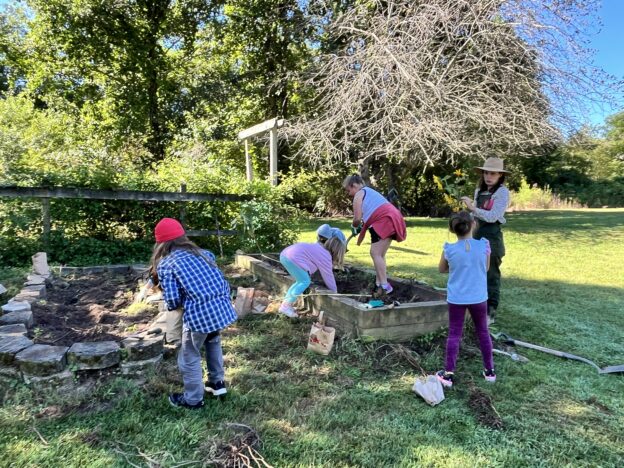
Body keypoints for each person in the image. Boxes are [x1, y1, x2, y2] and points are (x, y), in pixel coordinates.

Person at [151, 218, 237, 410]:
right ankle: (217, 383)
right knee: (213, 342)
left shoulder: (167, 264)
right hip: (220, 309)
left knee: (188, 356)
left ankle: (193, 399)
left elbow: (173, 301)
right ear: (183, 236)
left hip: (199, 316)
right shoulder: (205, 254)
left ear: (161, 244)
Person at [436, 211, 496, 387]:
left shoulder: (449, 249)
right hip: (479, 297)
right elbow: (485, 268)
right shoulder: (484, 245)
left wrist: (457, 268)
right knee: (483, 331)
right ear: (473, 224)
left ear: (452, 229)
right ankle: (489, 371)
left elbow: (441, 269)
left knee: (454, 333)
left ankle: (448, 375)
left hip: (457, 298)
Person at [460, 157, 510, 323]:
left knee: (491, 276)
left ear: (500, 175)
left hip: (492, 239)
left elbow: (493, 216)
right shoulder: (479, 191)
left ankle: (490, 313)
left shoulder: (502, 192)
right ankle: (476, 309)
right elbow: (475, 216)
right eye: (486, 173)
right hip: (476, 237)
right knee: (476, 274)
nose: (489, 176)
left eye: (493, 174)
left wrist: (473, 208)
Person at [342, 174, 406, 296]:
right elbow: (370, 211)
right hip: (393, 217)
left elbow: (357, 218)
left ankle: (385, 286)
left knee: (375, 253)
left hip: (384, 220)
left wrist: (354, 226)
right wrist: (361, 225)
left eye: (348, 190)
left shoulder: (359, 194)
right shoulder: (369, 191)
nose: (349, 194)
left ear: (353, 185)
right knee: (380, 254)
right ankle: (379, 284)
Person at [279, 237, 346, 318]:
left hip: (285, 255)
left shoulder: (319, 248)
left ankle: (285, 304)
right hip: (292, 258)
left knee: (299, 281)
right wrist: (334, 292)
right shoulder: (325, 256)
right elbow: (328, 276)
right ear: (338, 252)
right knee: (305, 281)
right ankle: (285, 307)